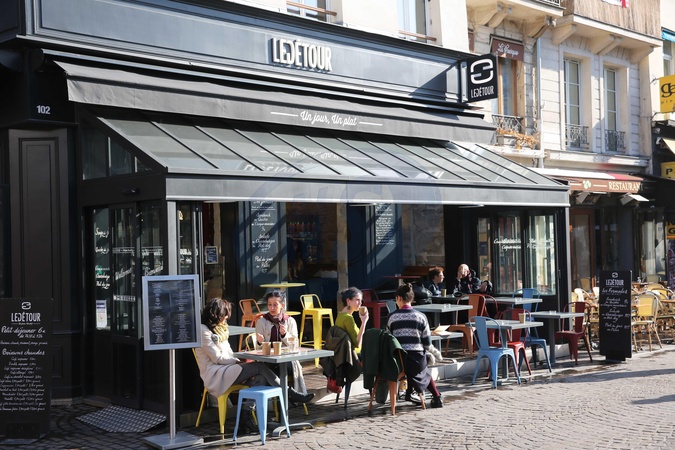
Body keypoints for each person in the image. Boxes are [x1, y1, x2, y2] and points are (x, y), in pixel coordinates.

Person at [195, 297, 313, 432]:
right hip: (216, 373)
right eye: (225, 315)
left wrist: (237, 359)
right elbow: (218, 358)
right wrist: (238, 360)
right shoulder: (204, 330)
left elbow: (227, 353)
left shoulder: (220, 329)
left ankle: (245, 418)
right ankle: (289, 393)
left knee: (260, 378)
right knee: (259, 367)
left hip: (227, 368)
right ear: (216, 314)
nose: (227, 318)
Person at [386, 283, 443, 408]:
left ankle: (410, 393)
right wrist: (436, 354)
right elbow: (427, 344)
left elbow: (389, 340)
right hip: (416, 361)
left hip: (398, 361)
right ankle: (436, 396)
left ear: (398, 298)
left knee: (411, 366)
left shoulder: (391, 317)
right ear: (412, 299)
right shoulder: (421, 317)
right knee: (424, 370)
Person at [255, 290, 311, 397]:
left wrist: (285, 335)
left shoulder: (290, 321)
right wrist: (259, 341)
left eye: (275, 305)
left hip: (286, 361)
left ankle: (283, 399)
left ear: (282, 305)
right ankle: (290, 397)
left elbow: (295, 344)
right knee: (270, 368)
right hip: (268, 360)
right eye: (269, 305)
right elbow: (257, 349)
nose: (272, 308)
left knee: (280, 366)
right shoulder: (262, 322)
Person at [335, 287, 369, 354]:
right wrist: (364, 322)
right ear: (348, 301)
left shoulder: (340, 316)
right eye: (357, 300)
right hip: (354, 356)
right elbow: (357, 344)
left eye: (361, 300)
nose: (360, 303)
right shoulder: (348, 318)